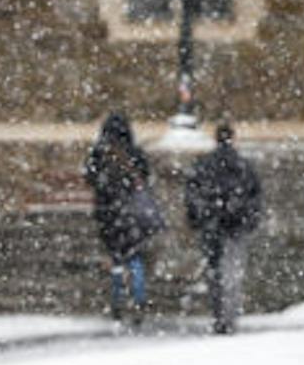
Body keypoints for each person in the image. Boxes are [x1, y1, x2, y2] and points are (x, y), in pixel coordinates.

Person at [183, 120, 265, 334]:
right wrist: (248, 218)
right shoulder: (243, 165)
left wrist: (200, 217)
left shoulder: (204, 164)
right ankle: (230, 315)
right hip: (236, 225)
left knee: (214, 272)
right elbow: (255, 196)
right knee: (232, 272)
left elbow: (192, 194)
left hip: (212, 224)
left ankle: (219, 313)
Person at [83, 112, 166, 326]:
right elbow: (145, 178)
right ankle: (138, 298)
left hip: (107, 214)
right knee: (136, 257)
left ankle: (117, 300)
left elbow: (90, 178)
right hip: (133, 215)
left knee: (116, 258)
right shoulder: (134, 153)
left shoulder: (99, 153)